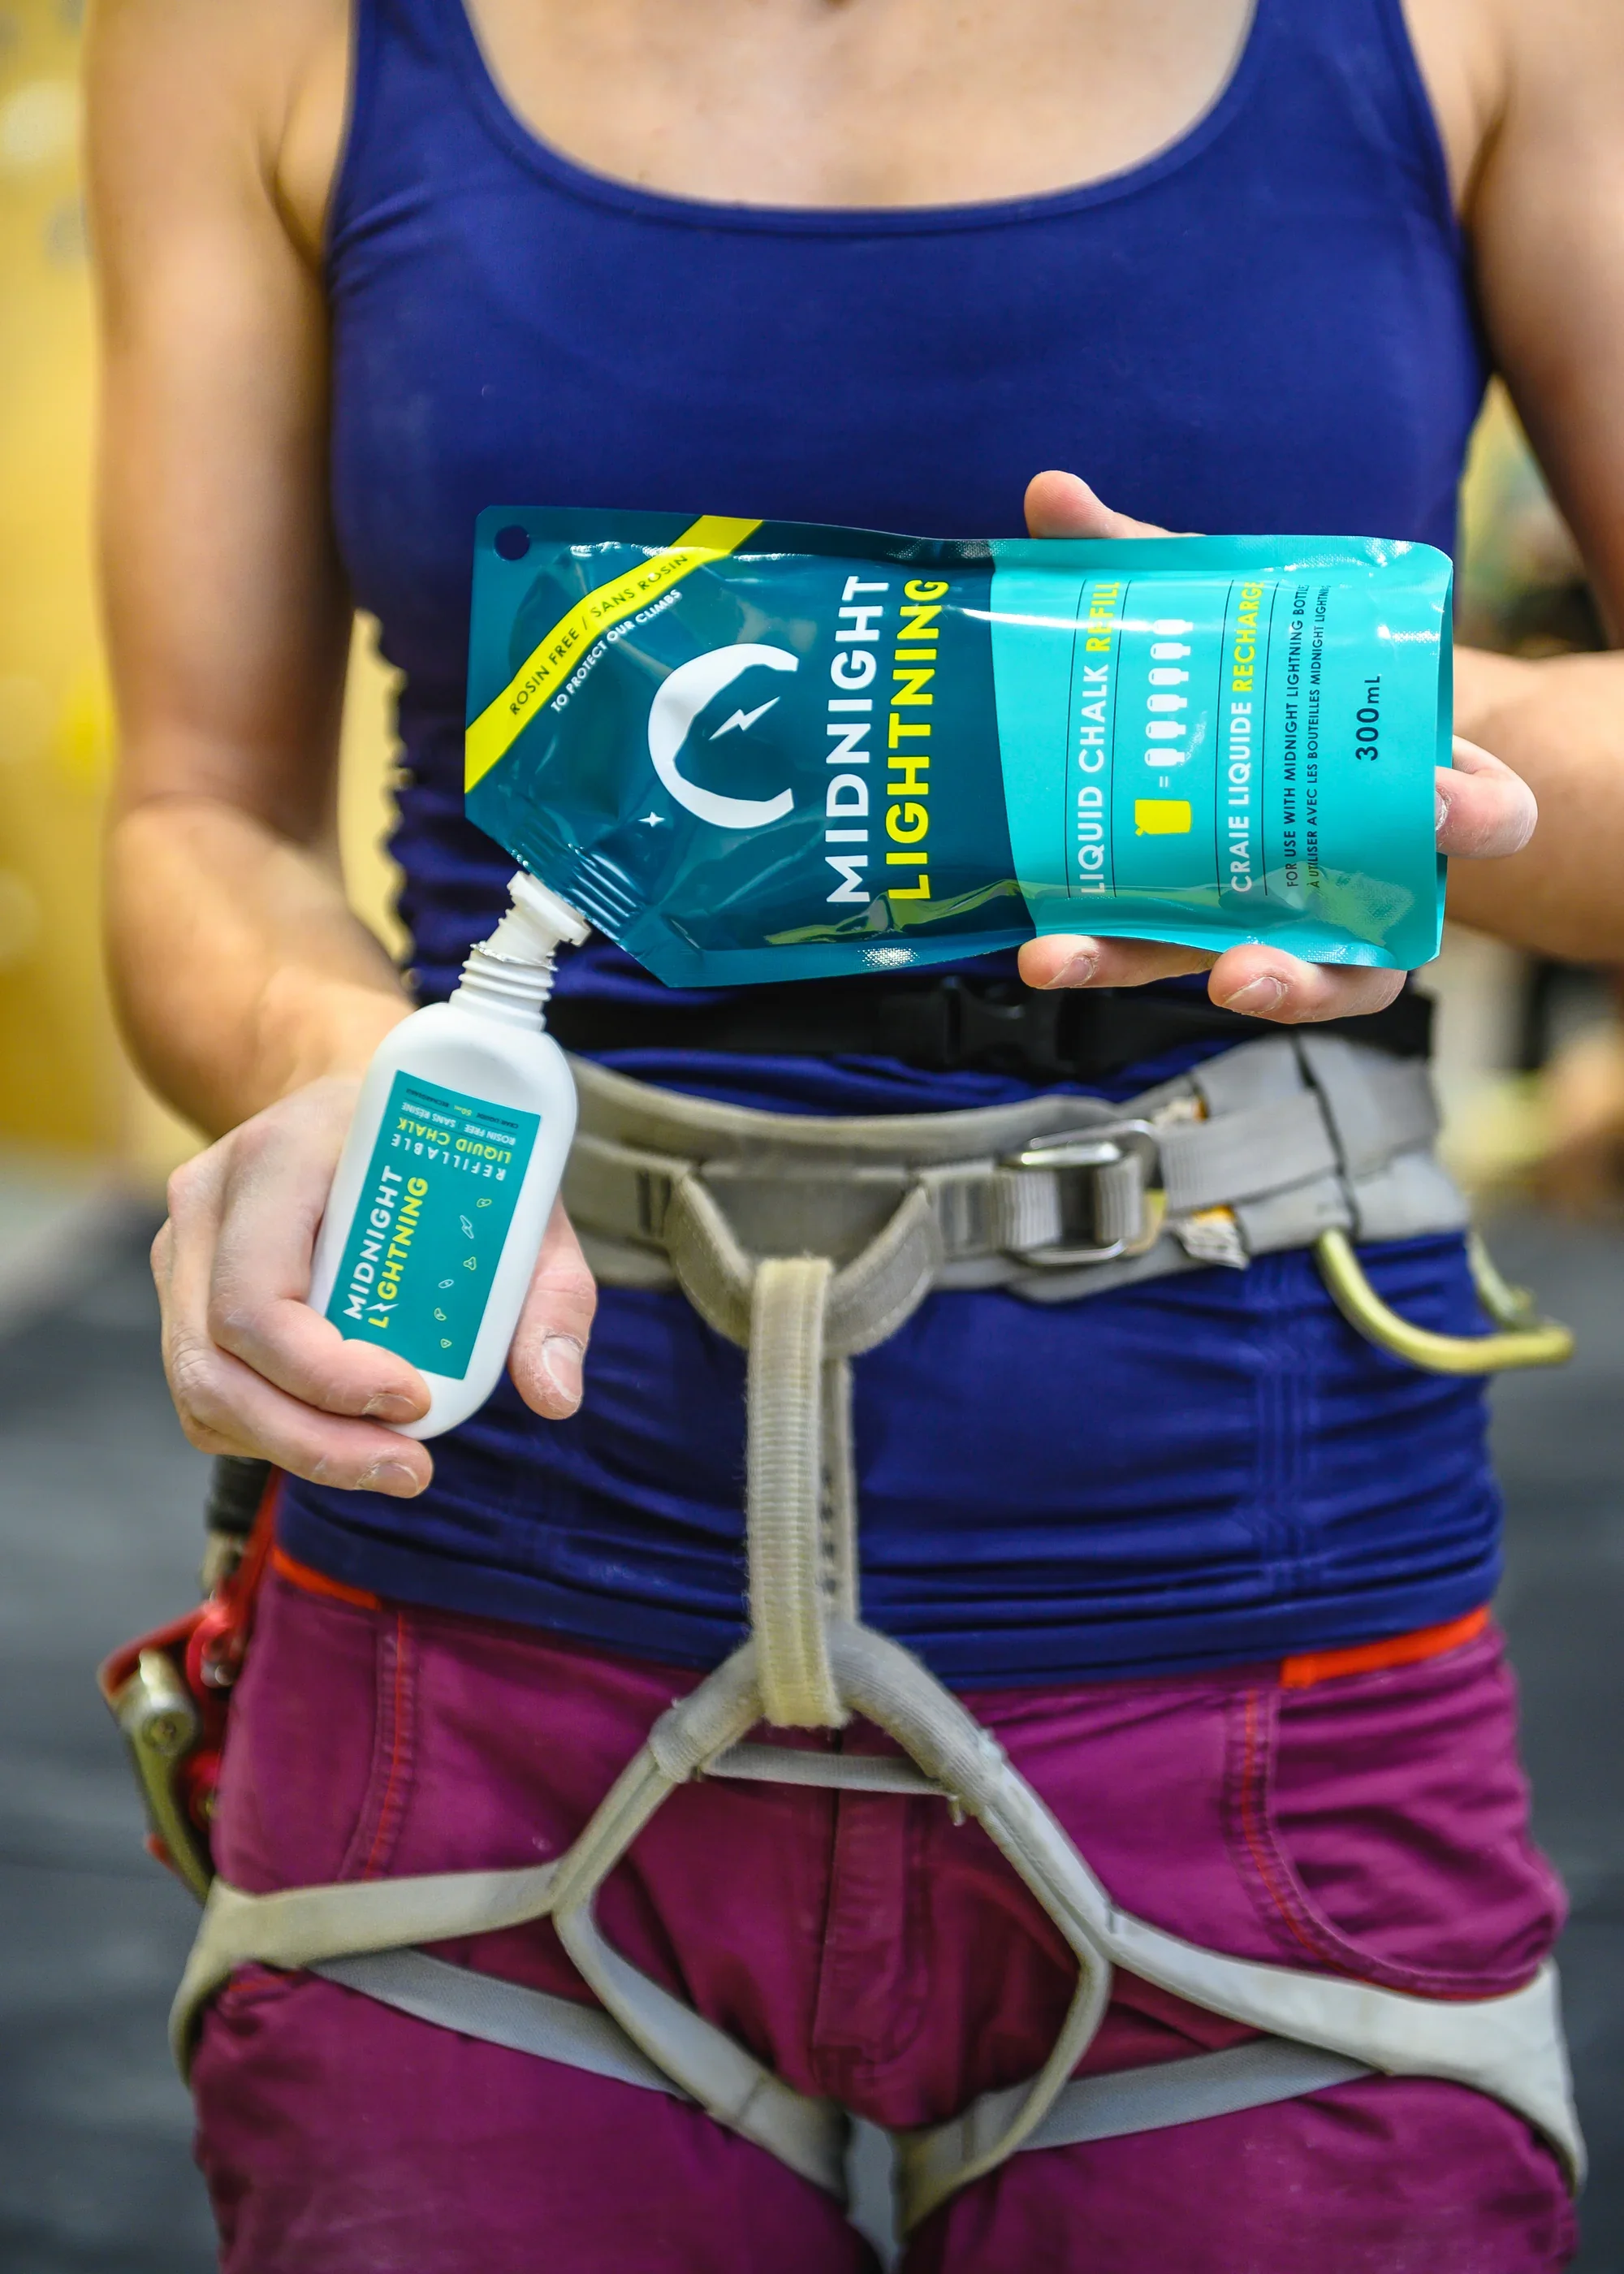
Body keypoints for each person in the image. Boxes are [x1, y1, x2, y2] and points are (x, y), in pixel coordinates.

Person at [87, 0, 1624, 2265]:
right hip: (490, 1581)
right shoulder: (252, 31)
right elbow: (191, 808)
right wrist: (334, 1055)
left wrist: (1326, 730)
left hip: (1252, 1604)